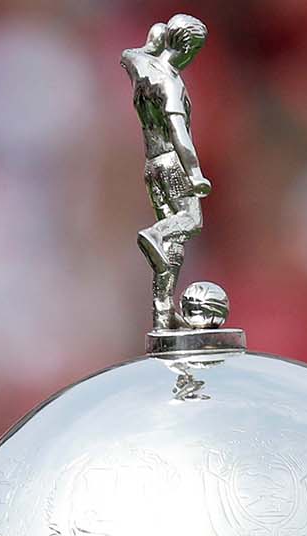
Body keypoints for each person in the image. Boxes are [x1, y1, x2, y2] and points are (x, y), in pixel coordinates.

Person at [123, 15, 212, 332]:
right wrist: (196, 173)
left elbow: (129, 53)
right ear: (188, 47)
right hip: (172, 162)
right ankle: (155, 234)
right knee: (190, 221)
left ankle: (163, 310)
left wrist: (155, 38)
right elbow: (179, 133)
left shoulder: (140, 66)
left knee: (172, 249)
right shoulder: (170, 82)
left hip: (152, 165)